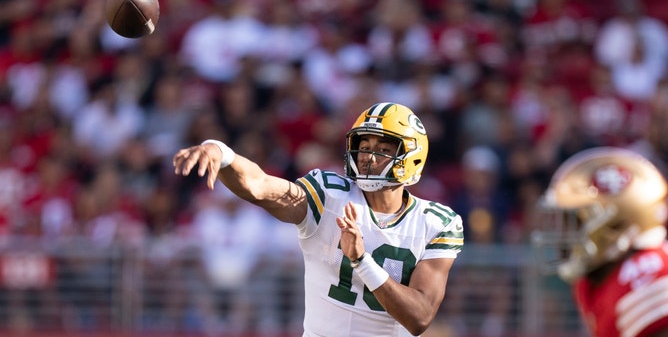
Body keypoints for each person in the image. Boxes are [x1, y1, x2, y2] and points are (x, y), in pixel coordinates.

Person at [173, 102, 464, 336]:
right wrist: (222, 153)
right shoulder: (329, 195)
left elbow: (420, 317)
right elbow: (260, 186)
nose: (368, 157)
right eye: (365, 146)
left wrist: (362, 261)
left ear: (412, 155)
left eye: (383, 149)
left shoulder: (437, 222)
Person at [532, 147, 668, 337]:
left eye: (576, 223)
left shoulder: (649, 276)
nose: (563, 237)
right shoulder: (597, 283)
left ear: (616, 225)